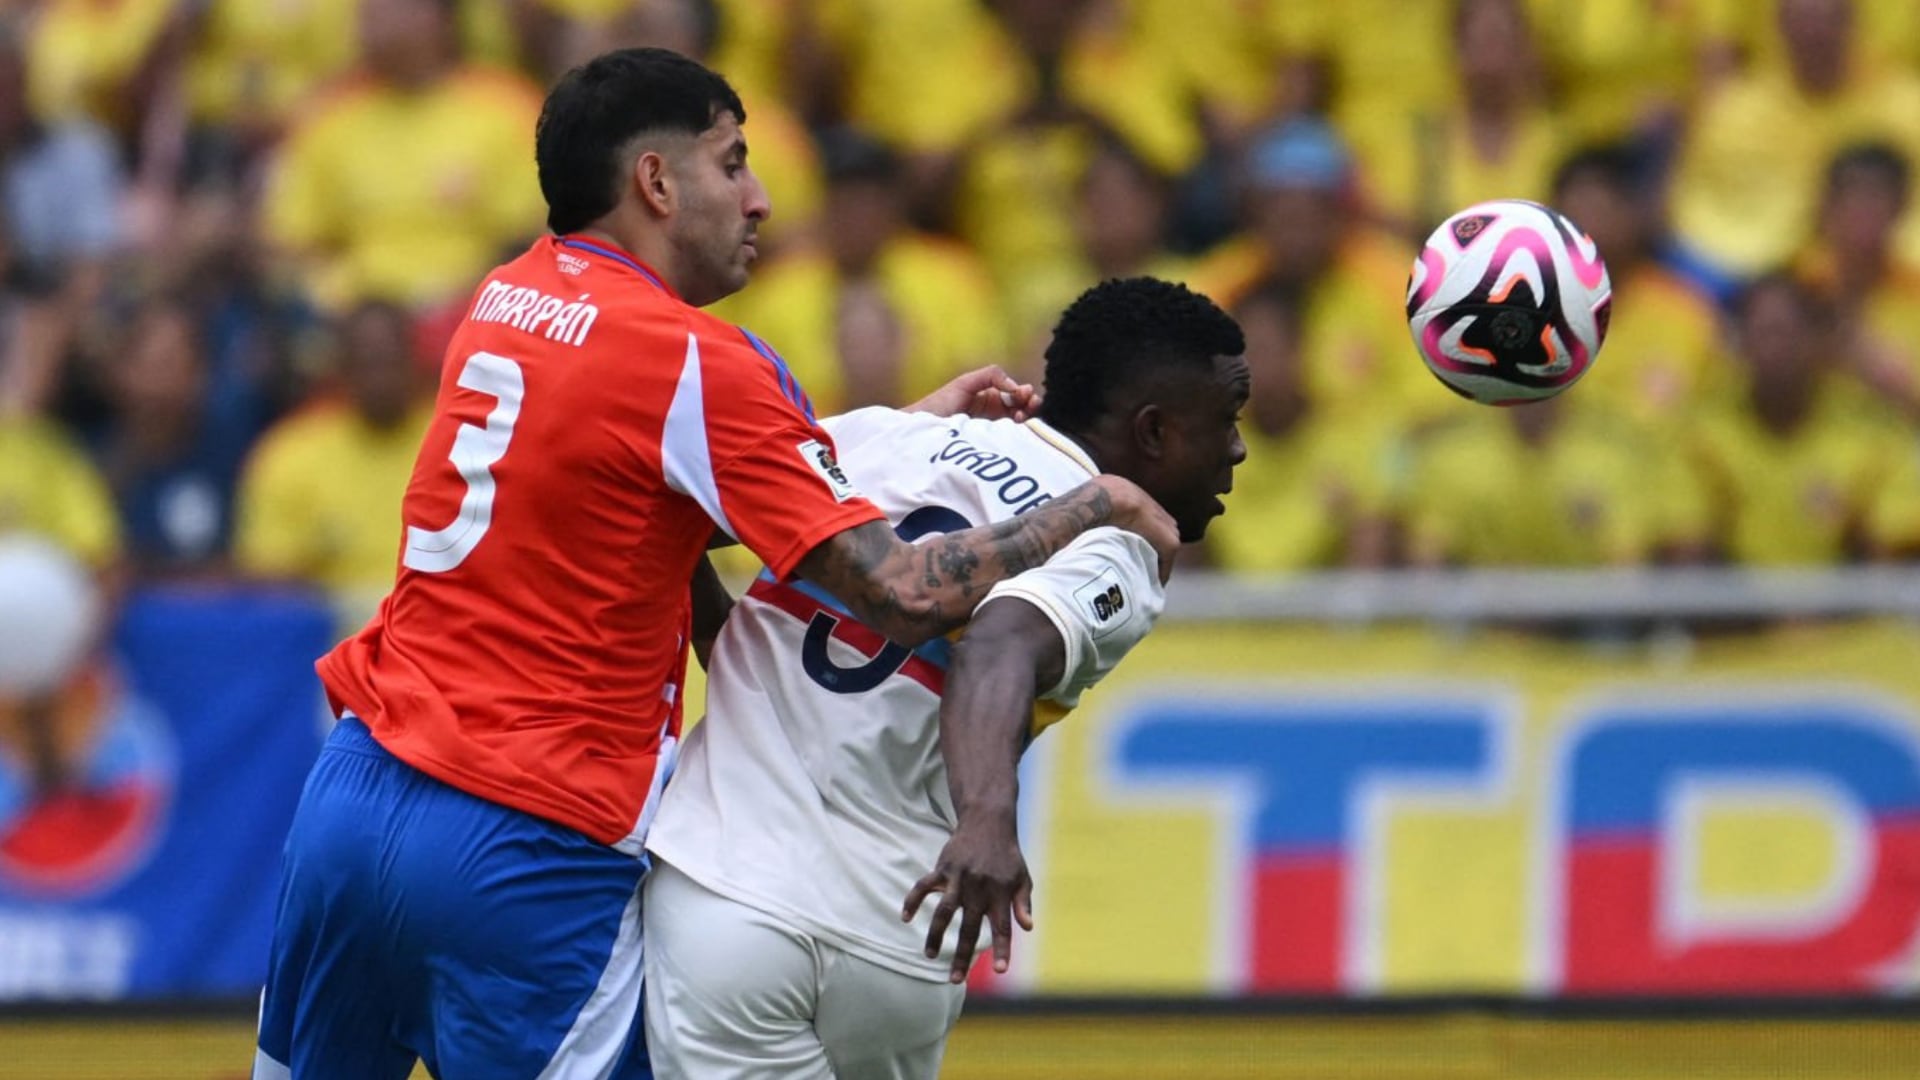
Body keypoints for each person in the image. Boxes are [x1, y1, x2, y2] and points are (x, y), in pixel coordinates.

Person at [252, 47, 1176, 1080]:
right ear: (656, 182)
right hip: (527, 841)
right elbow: (906, 592)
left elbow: (647, 478)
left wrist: (899, 431)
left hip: (355, 792)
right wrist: (1094, 503)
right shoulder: (701, 362)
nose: (763, 198)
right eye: (734, 164)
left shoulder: (508, 295)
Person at [642, 277, 1248, 1080]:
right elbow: (999, 643)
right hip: (899, 927)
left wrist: (728, 632)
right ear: (1153, 432)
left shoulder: (883, 436)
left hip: (725, 894)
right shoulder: (1121, 544)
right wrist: (987, 820)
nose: (1238, 449)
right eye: (1227, 422)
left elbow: (667, 509)